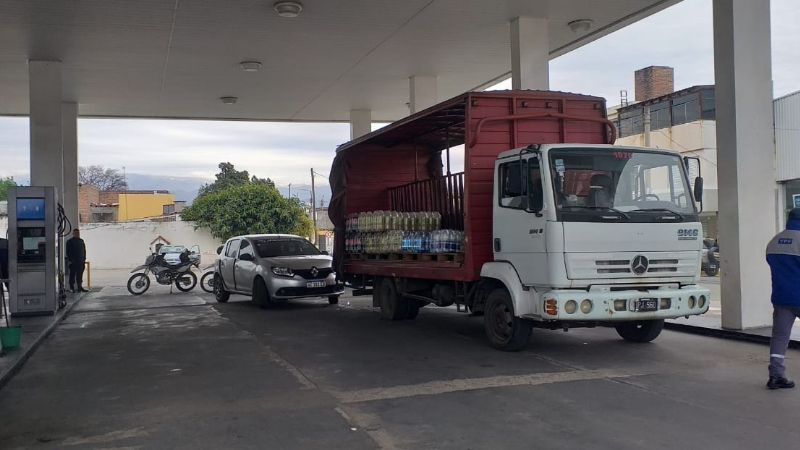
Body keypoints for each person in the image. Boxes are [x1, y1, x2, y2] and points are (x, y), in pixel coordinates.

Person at [765, 208, 800, 389]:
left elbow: (771, 263)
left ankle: (776, 376)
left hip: (781, 297)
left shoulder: (774, 241)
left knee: (779, 337)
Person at [66, 229, 88, 293]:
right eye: (75, 233)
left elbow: (84, 251)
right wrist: (71, 260)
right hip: (73, 262)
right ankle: (71, 288)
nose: (77, 234)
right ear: (73, 234)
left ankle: (79, 287)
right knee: (72, 275)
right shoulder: (69, 241)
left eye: (78, 233)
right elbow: (68, 252)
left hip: (81, 261)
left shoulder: (81, 241)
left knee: (80, 275)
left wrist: (84, 259)